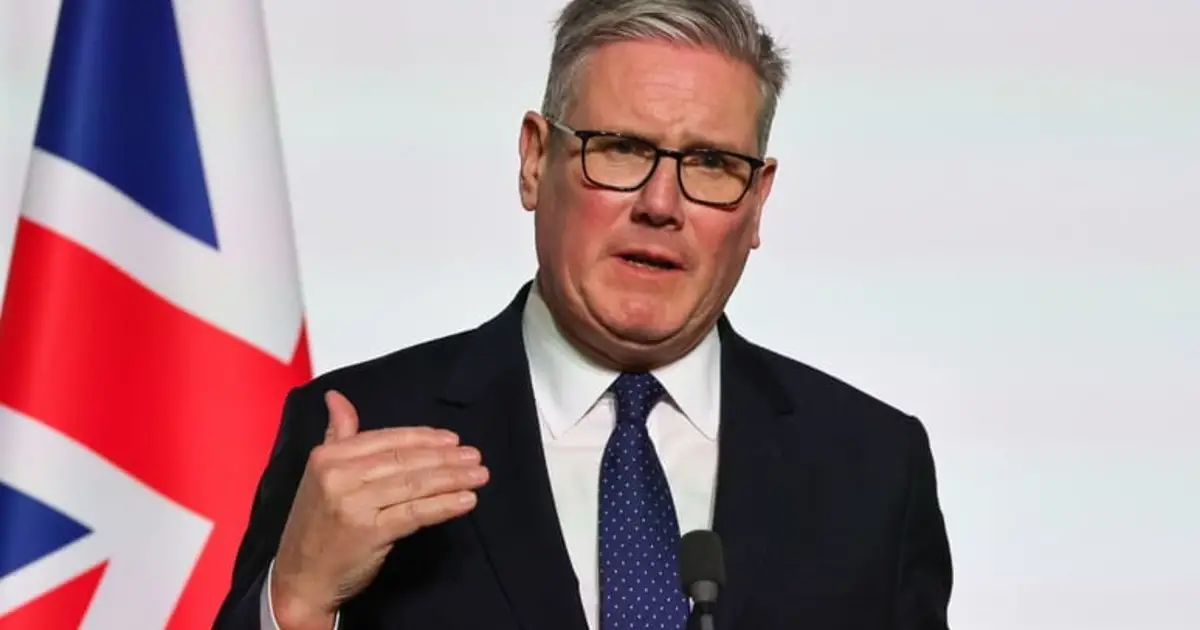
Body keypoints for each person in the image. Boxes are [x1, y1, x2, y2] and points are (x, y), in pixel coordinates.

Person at [213, 0, 954, 628]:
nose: (660, 205)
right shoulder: (360, 430)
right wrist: (298, 600)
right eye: (621, 149)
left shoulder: (873, 467)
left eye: (711, 165)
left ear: (757, 203)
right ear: (535, 160)